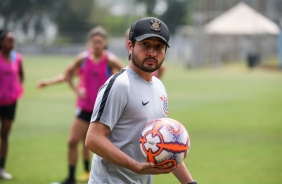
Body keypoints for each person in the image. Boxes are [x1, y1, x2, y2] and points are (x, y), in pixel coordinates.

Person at [85, 17, 197, 184]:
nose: (152, 52)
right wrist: (136, 166)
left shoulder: (159, 87)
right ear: (130, 46)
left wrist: (190, 183)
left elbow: (167, 145)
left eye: (159, 46)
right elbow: (93, 139)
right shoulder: (120, 85)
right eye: (146, 45)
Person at [38, 26, 124, 184]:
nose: (97, 45)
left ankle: (102, 177)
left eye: (100, 42)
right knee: (72, 141)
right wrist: (77, 89)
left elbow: (126, 76)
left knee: (100, 147)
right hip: (84, 108)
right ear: (90, 42)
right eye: (94, 41)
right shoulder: (83, 58)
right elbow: (67, 74)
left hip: (102, 112)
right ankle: (71, 178)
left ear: (105, 42)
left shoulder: (110, 60)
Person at [0, 29, 24, 179]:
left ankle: (1, 169)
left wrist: (15, 90)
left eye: (13, 41)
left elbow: (21, 76)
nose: (12, 43)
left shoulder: (18, 58)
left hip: (10, 102)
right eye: (9, 40)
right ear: (1, 42)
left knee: (4, 134)